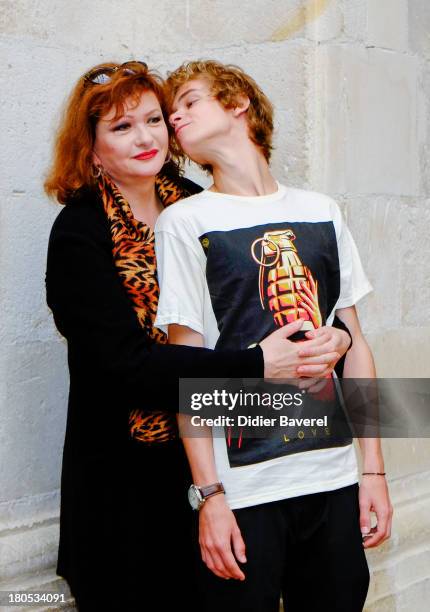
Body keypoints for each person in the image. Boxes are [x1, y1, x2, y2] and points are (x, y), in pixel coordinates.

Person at [43, 61, 353, 611]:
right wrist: (256, 363)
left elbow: (285, 313)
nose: (146, 137)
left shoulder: (199, 205)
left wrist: (337, 341)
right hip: (132, 482)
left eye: (154, 119)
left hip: (229, 461)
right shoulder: (80, 232)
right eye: (121, 127)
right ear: (90, 149)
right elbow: (128, 369)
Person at [154, 60, 393, 612]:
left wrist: (373, 472)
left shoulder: (322, 210)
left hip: (331, 477)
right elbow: (187, 366)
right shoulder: (186, 222)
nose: (175, 115)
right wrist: (209, 496)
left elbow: (356, 346)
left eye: (189, 101)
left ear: (237, 103)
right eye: (174, 112)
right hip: (246, 492)